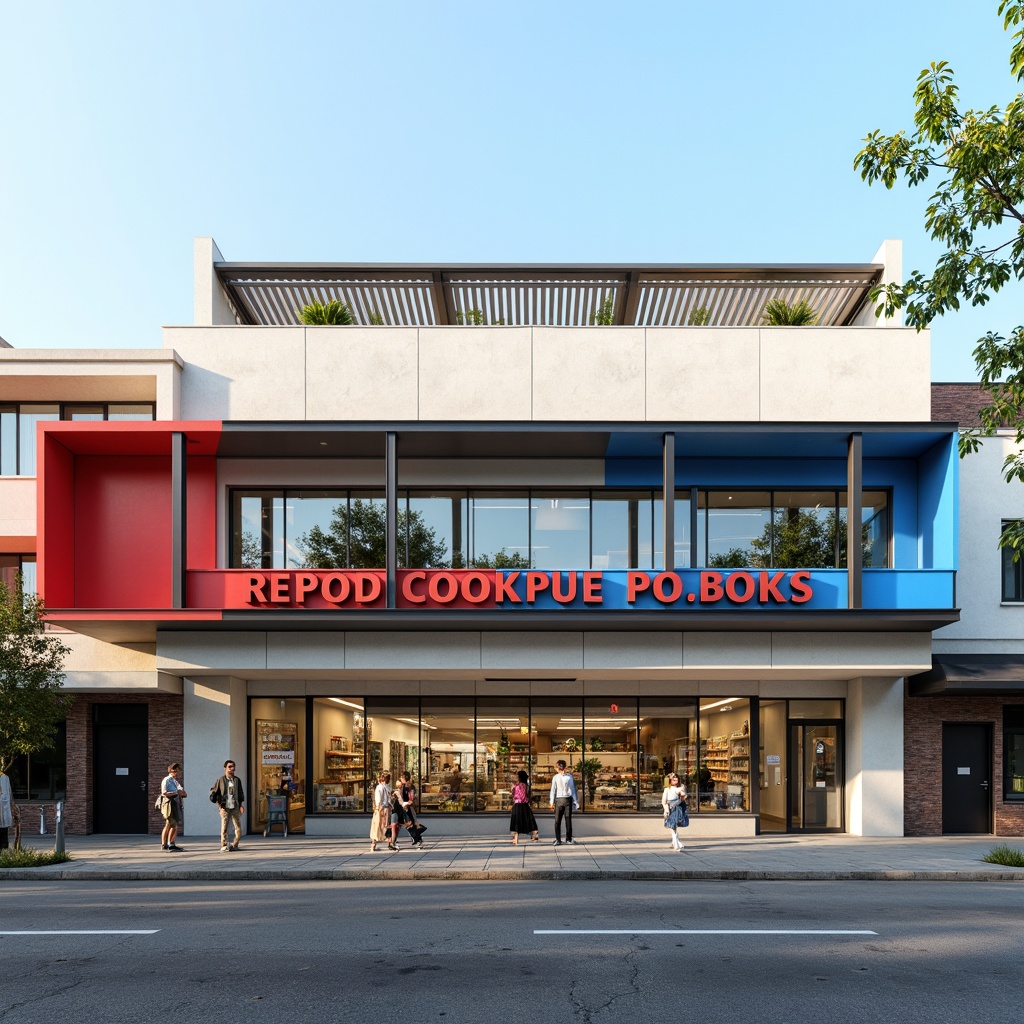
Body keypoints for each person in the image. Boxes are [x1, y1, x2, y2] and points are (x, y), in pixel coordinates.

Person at [210, 759, 245, 852]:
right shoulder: (221, 780)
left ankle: (235, 844)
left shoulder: (237, 780)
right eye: (229, 767)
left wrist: (241, 805)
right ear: (225, 768)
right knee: (224, 828)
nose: (232, 769)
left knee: (238, 828)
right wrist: (220, 807)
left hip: (235, 806)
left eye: (233, 767)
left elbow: (241, 793)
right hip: (225, 807)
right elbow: (215, 793)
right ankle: (224, 845)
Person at [548, 759, 579, 846]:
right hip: (565, 799)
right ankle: (566, 839)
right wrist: (575, 801)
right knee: (566, 820)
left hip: (560, 800)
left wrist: (551, 802)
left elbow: (553, 790)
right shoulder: (567, 777)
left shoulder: (559, 777)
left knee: (559, 820)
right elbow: (573, 790)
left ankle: (560, 839)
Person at [160, 762, 187, 852]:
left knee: (170, 824)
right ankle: (170, 844)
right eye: (176, 771)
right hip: (169, 804)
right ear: (172, 770)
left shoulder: (175, 781)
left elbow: (182, 792)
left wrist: (181, 793)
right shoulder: (167, 780)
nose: (178, 773)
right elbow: (164, 793)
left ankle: (165, 844)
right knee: (172, 824)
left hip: (175, 803)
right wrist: (176, 793)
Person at [508, 770, 539, 845]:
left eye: (517, 775)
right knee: (529, 821)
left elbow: (517, 796)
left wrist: (512, 788)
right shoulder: (526, 785)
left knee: (517, 822)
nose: (516, 776)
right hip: (525, 805)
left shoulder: (518, 786)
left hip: (518, 805)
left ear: (519, 777)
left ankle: (516, 839)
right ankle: (534, 835)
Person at [662, 772, 688, 851]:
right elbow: (664, 801)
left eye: (676, 777)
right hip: (671, 808)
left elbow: (684, 797)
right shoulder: (667, 789)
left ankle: (676, 842)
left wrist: (682, 793)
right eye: (672, 778)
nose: (674, 779)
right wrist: (666, 810)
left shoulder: (680, 788)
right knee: (673, 825)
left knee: (674, 825)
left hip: (678, 808)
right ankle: (675, 843)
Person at [398, 771, 424, 847]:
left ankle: (418, 839)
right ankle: (416, 838)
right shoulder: (403, 786)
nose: (400, 779)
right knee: (408, 824)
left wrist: (408, 804)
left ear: (404, 778)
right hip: (404, 807)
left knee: (411, 824)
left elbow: (411, 797)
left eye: (401, 777)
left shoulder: (409, 787)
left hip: (408, 807)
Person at [371, 771, 392, 852]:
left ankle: (373, 844)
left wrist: (377, 809)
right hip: (387, 808)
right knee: (387, 826)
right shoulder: (388, 787)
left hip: (380, 809)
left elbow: (378, 800)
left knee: (376, 827)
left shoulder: (379, 787)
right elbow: (390, 799)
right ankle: (390, 843)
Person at [0, 767, 12, 850]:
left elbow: (6, 795)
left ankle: (4, 848)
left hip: (3, 812)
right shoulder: (4, 778)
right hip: (3, 811)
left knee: (3, 832)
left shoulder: (4, 778)